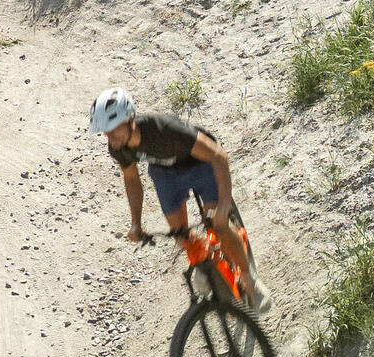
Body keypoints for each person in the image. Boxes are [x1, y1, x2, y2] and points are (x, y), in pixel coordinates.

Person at [90, 86, 269, 309]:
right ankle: (209, 259)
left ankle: (250, 279)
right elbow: (132, 179)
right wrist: (136, 222)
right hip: (166, 173)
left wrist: (224, 204)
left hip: (201, 164)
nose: (109, 136)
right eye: (104, 131)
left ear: (130, 119)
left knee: (219, 224)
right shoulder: (118, 147)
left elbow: (218, 156)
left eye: (113, 129)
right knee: (181, 237)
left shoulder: (165, 130)